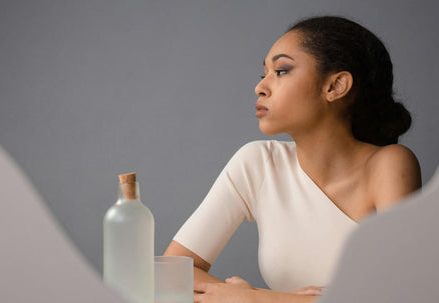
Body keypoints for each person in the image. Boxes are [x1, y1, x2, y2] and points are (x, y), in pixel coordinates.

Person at [164, 16, 421, 303]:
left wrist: (256, 299)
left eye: (282, 71)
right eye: (263, 74)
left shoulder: (390, 165)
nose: (261, 87)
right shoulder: (258, 163)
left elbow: (399, 292)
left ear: (335, 86)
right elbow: (166, 273)